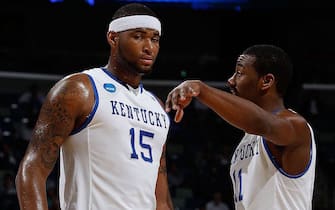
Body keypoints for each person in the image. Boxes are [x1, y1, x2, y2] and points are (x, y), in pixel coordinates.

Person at [16, 3, 174, 210]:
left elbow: (160, 199)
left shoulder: (157, 108)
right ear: (113, 38)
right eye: (138, 36)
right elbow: (32, 169)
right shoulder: (80, 89)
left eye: (154, 39)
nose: (148, 47)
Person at [165, 44, 316, 210]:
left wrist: (202, 90)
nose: (230, 80)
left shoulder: (296, 126)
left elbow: (262, 123)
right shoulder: (247, 139)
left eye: (239, 73)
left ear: (266, 81)